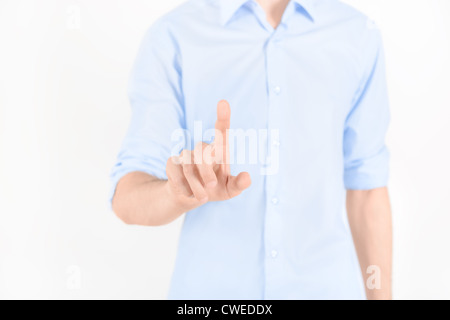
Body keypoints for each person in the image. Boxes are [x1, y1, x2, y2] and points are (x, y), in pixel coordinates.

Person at [111, 0, 392, 300]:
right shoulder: (173, 36)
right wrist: (176, 192)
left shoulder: (357, 34)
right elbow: (126, 198)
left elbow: (367, 190)